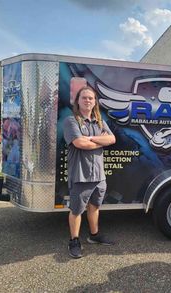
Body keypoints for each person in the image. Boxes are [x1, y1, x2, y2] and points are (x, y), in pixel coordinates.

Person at [63, 86, 116, 259]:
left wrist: (92, 139)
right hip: (81, 174)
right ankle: (74, 240)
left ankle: (94, 236)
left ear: (95, 102)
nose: (87, 100)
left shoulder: (100, 121)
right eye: (84, 98)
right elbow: (80, 144)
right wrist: (101, 141)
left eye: (91, 98)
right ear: (78, 101)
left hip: (99, 175)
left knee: (95, 207)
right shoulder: (71, 121)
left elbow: (112, 139)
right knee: (77, 210)